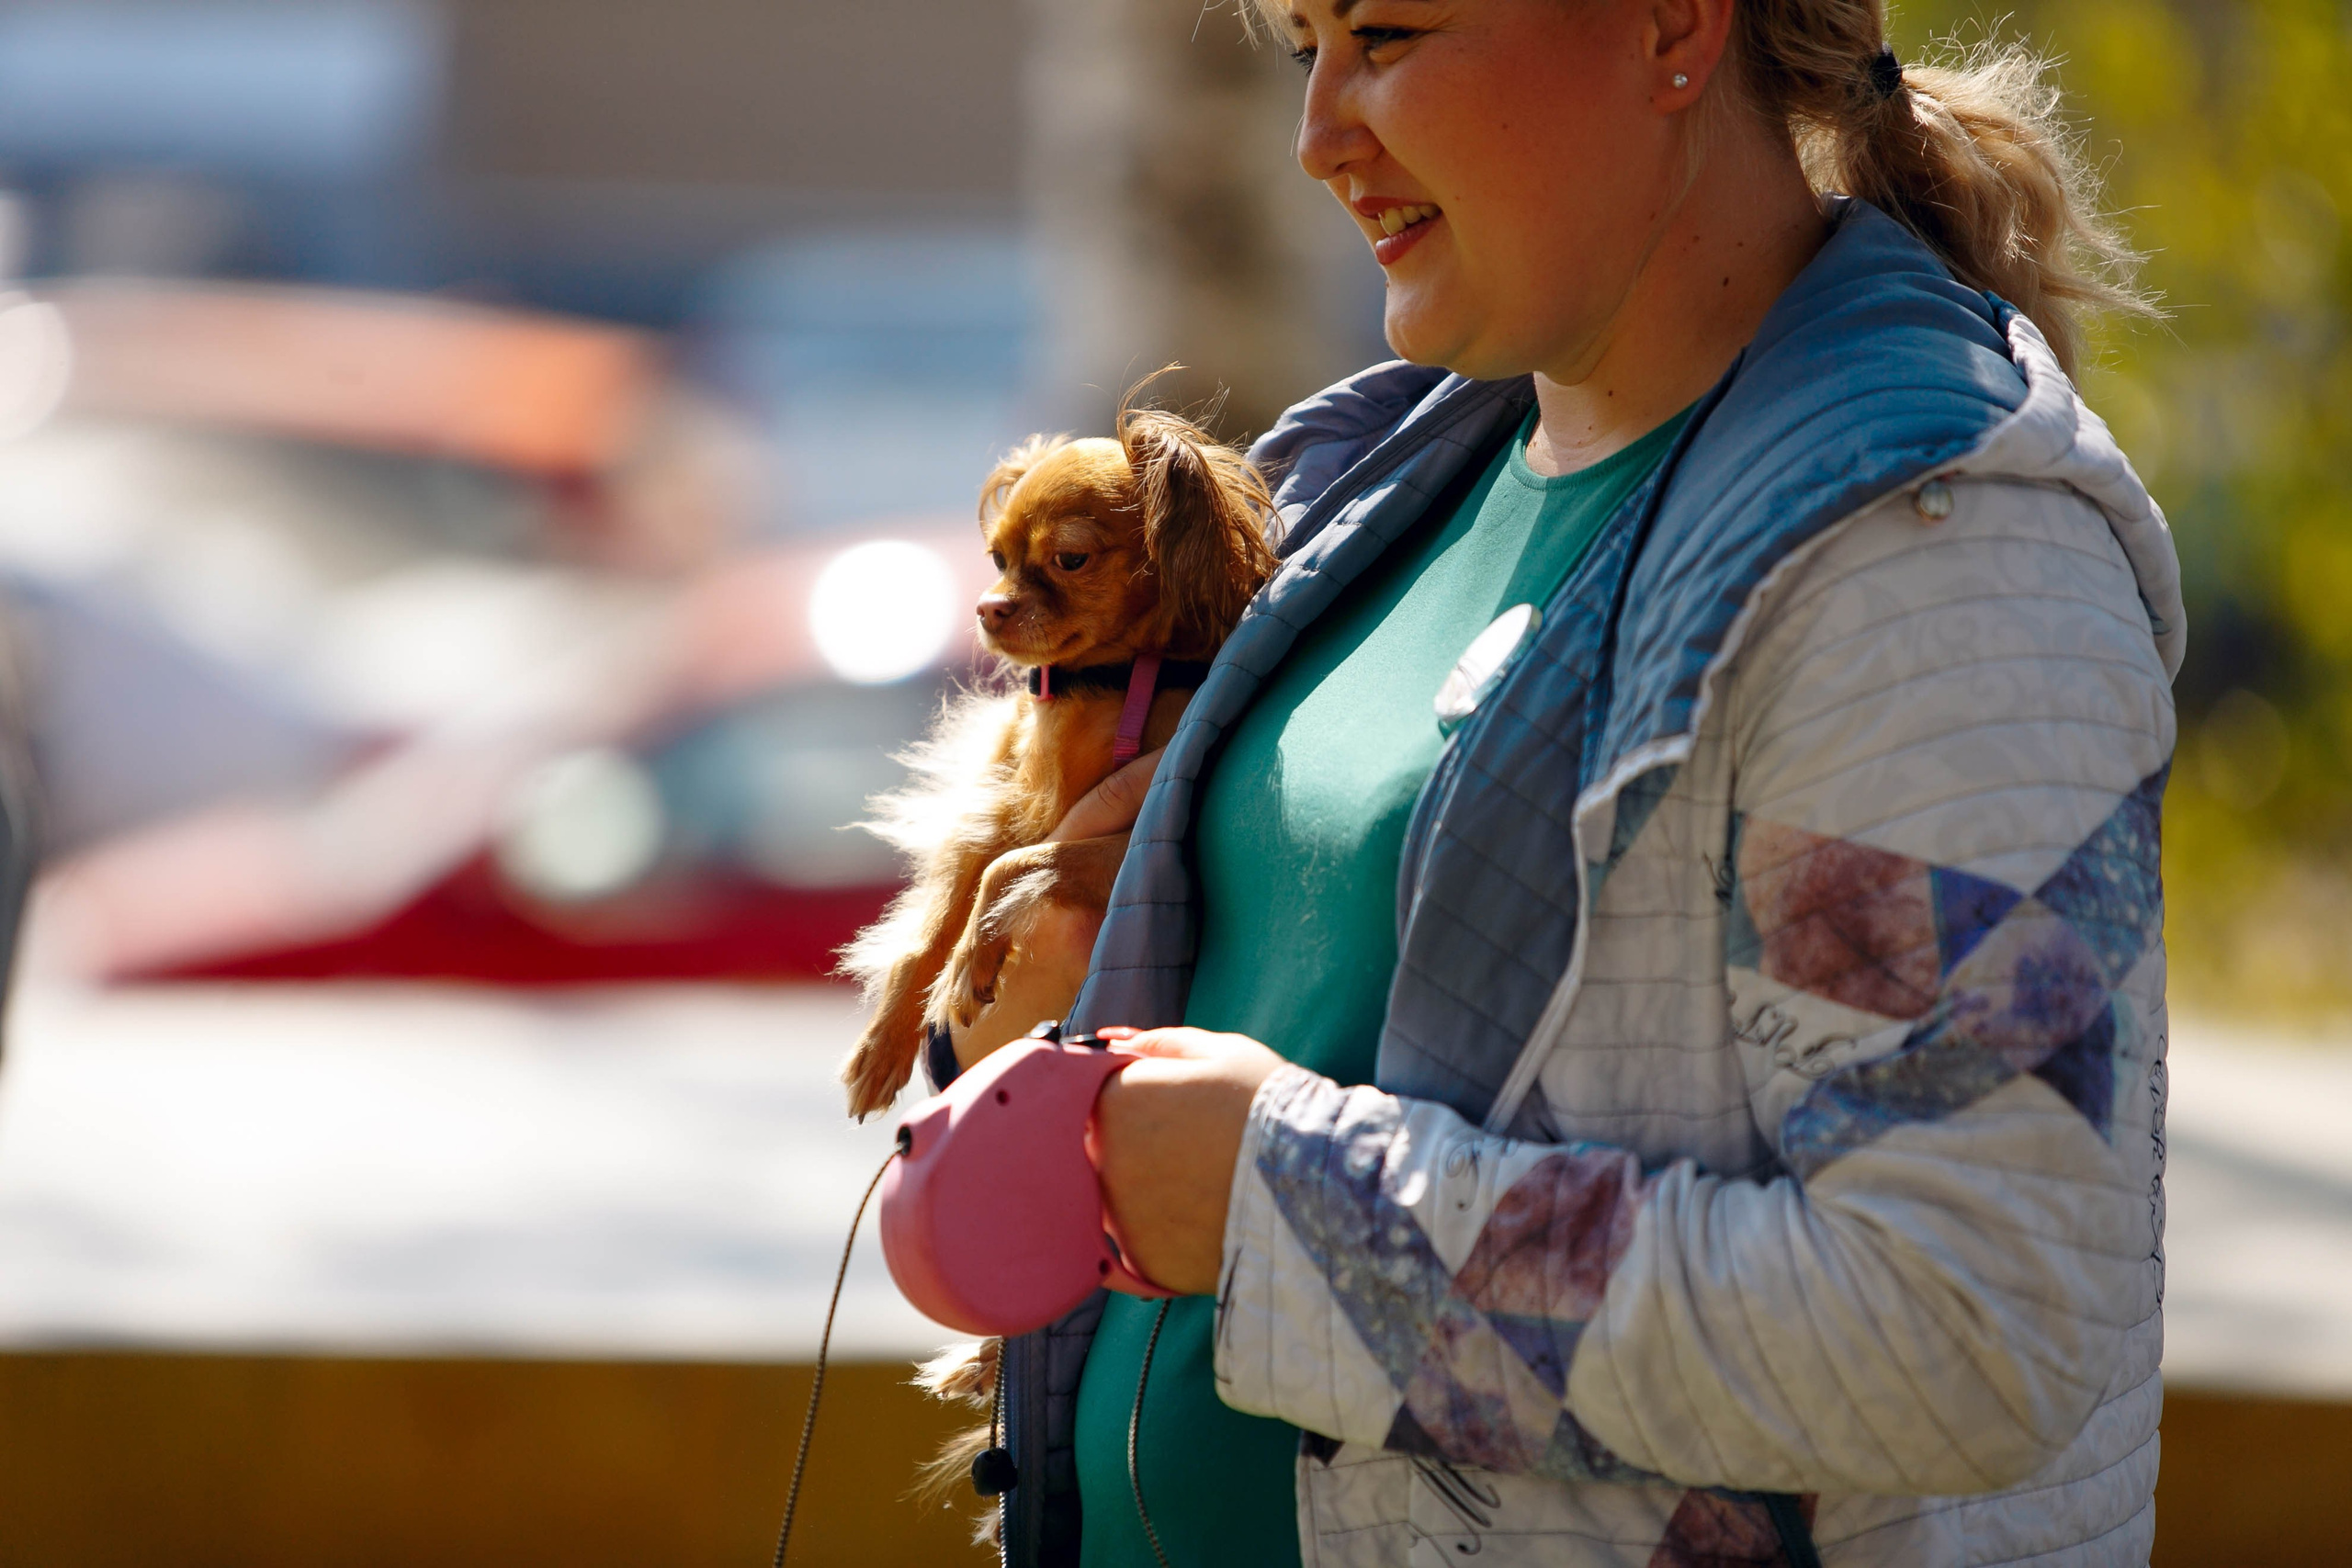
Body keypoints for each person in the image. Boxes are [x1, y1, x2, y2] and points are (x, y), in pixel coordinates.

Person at [947, 0, 2179, 1562]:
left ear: (1671, 26)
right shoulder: (1390, 478)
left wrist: (1287, 1213)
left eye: (1388, 32)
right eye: (1301, 46)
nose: (1319, 134)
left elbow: (1962, 1327)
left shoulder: (1929, 555)